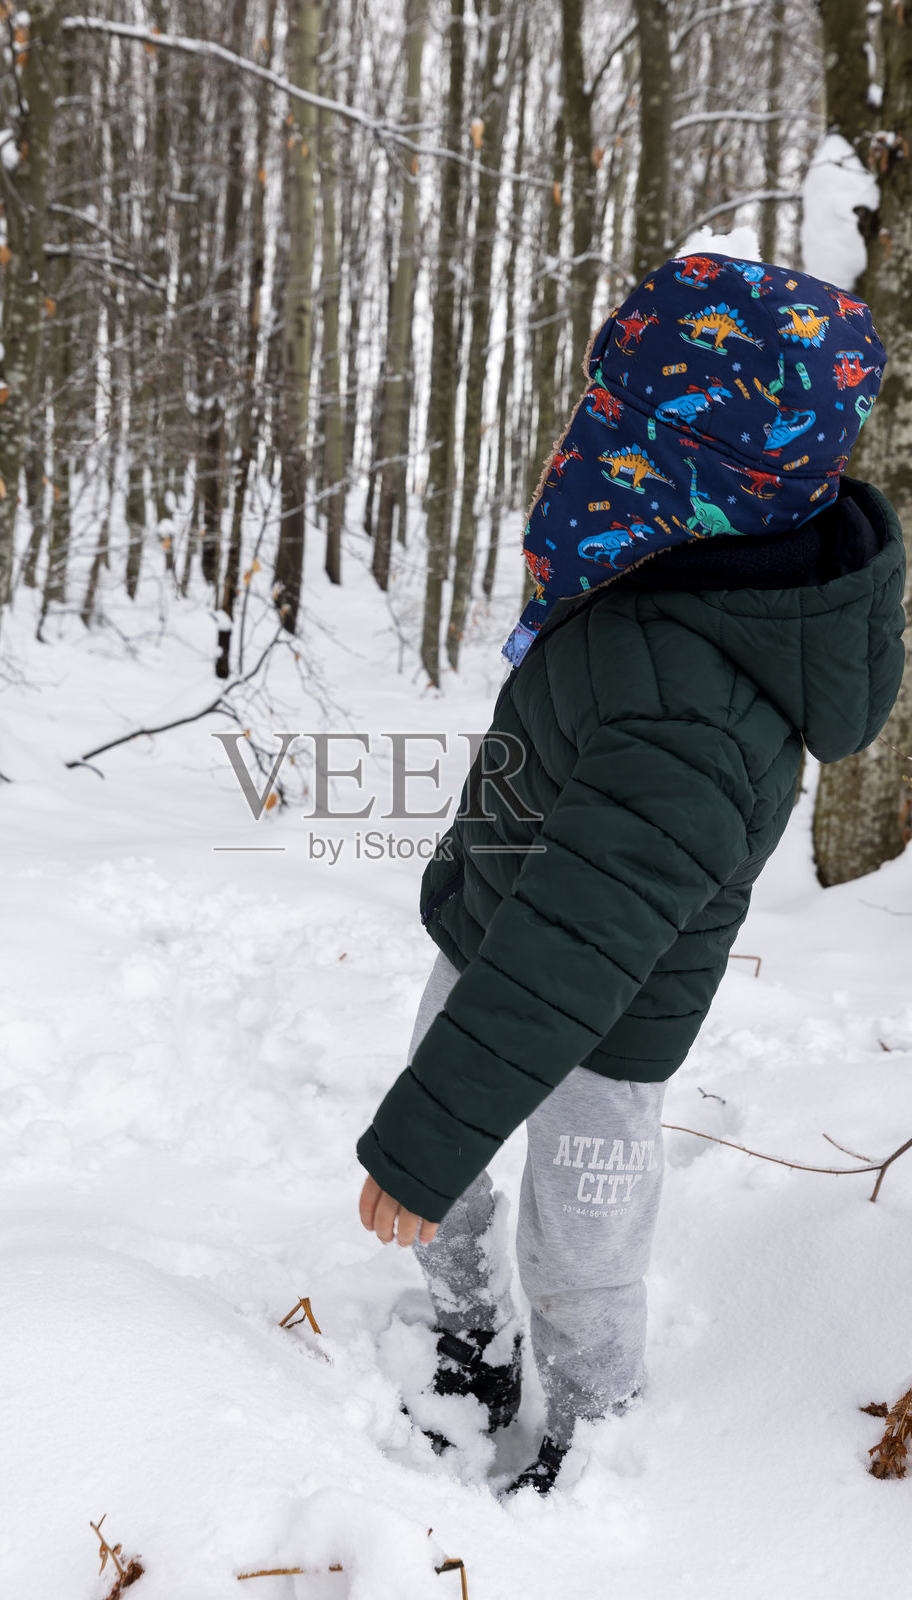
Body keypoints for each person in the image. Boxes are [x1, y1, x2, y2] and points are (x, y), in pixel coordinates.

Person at [356, 253, 906, 1495]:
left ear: (701, 469)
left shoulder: (698, 709)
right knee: (448, 1175)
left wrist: (424, 1137)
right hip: (491, 941)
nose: (581, 445)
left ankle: (592, 1430)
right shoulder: (668, 568)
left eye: (616, 426)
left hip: (601, 1022)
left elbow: (578, 945)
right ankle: (469, 1341)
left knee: (579, 1240)